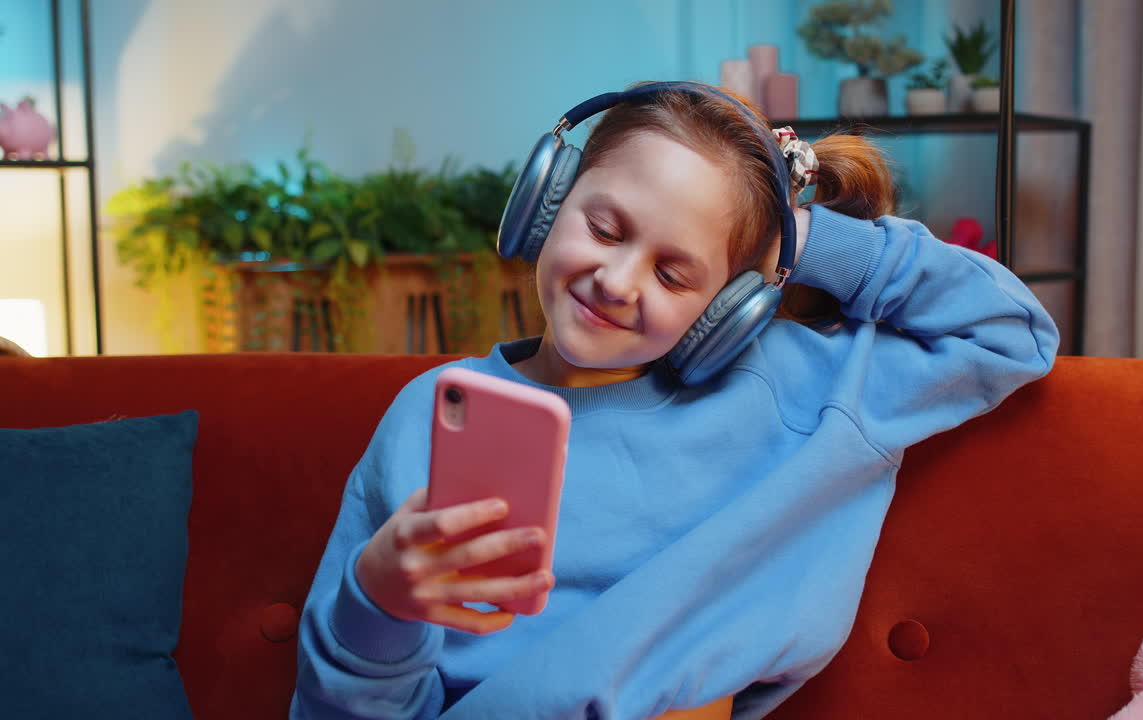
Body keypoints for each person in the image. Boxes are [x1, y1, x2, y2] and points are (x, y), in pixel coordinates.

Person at [290, 81, 1059, 720]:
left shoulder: (796, 388)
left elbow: (1011, 331)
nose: (617, 282)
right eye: (604, 227)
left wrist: (795, 235)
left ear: (732, 306)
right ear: (547, 201)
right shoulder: (430, 415)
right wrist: (377, 604)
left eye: (673, 274)